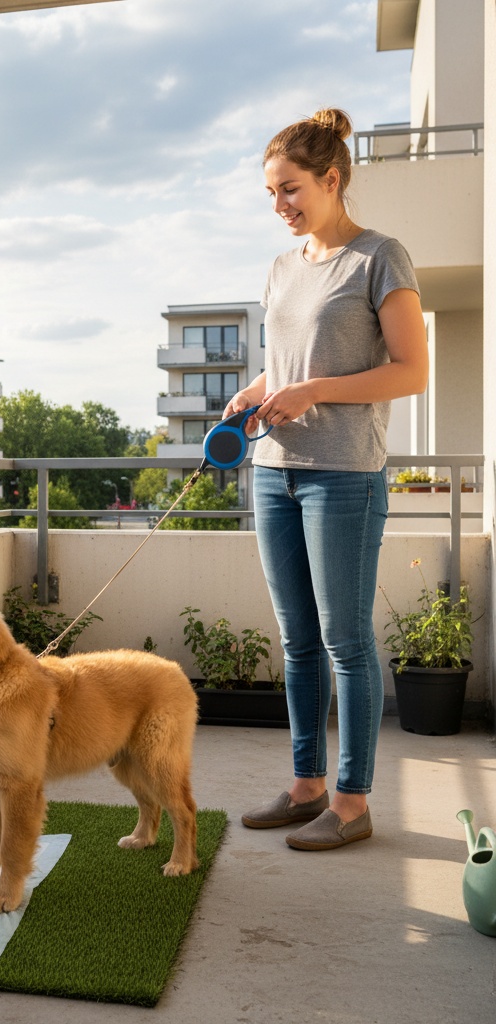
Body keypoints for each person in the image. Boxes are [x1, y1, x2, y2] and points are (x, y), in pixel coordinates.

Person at [226, 108, 428, 851]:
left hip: (344, 473)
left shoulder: (381, 258)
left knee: (346, 640)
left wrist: (311, 393)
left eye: (290, 190)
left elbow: (413, 370)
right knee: (298, 640)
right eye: (272, 195)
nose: (280, 207)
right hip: (273, 470)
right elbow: (289, 362)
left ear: (332, 180)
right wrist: (256, 391)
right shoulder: (283, 268)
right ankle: (307, 785)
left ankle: (352, 801)